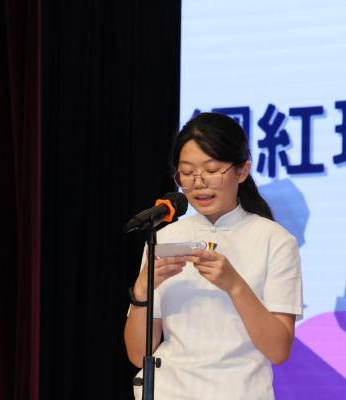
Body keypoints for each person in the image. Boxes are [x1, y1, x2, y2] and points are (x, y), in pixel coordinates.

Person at [124, 112, 303, 399]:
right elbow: (137, 353)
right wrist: (142, 290)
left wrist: (234, 285)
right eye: (187, 172)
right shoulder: (164, 238)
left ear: (242, 171)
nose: (198, 182)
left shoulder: (275, 241)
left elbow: (278, 350)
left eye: (212, 170)